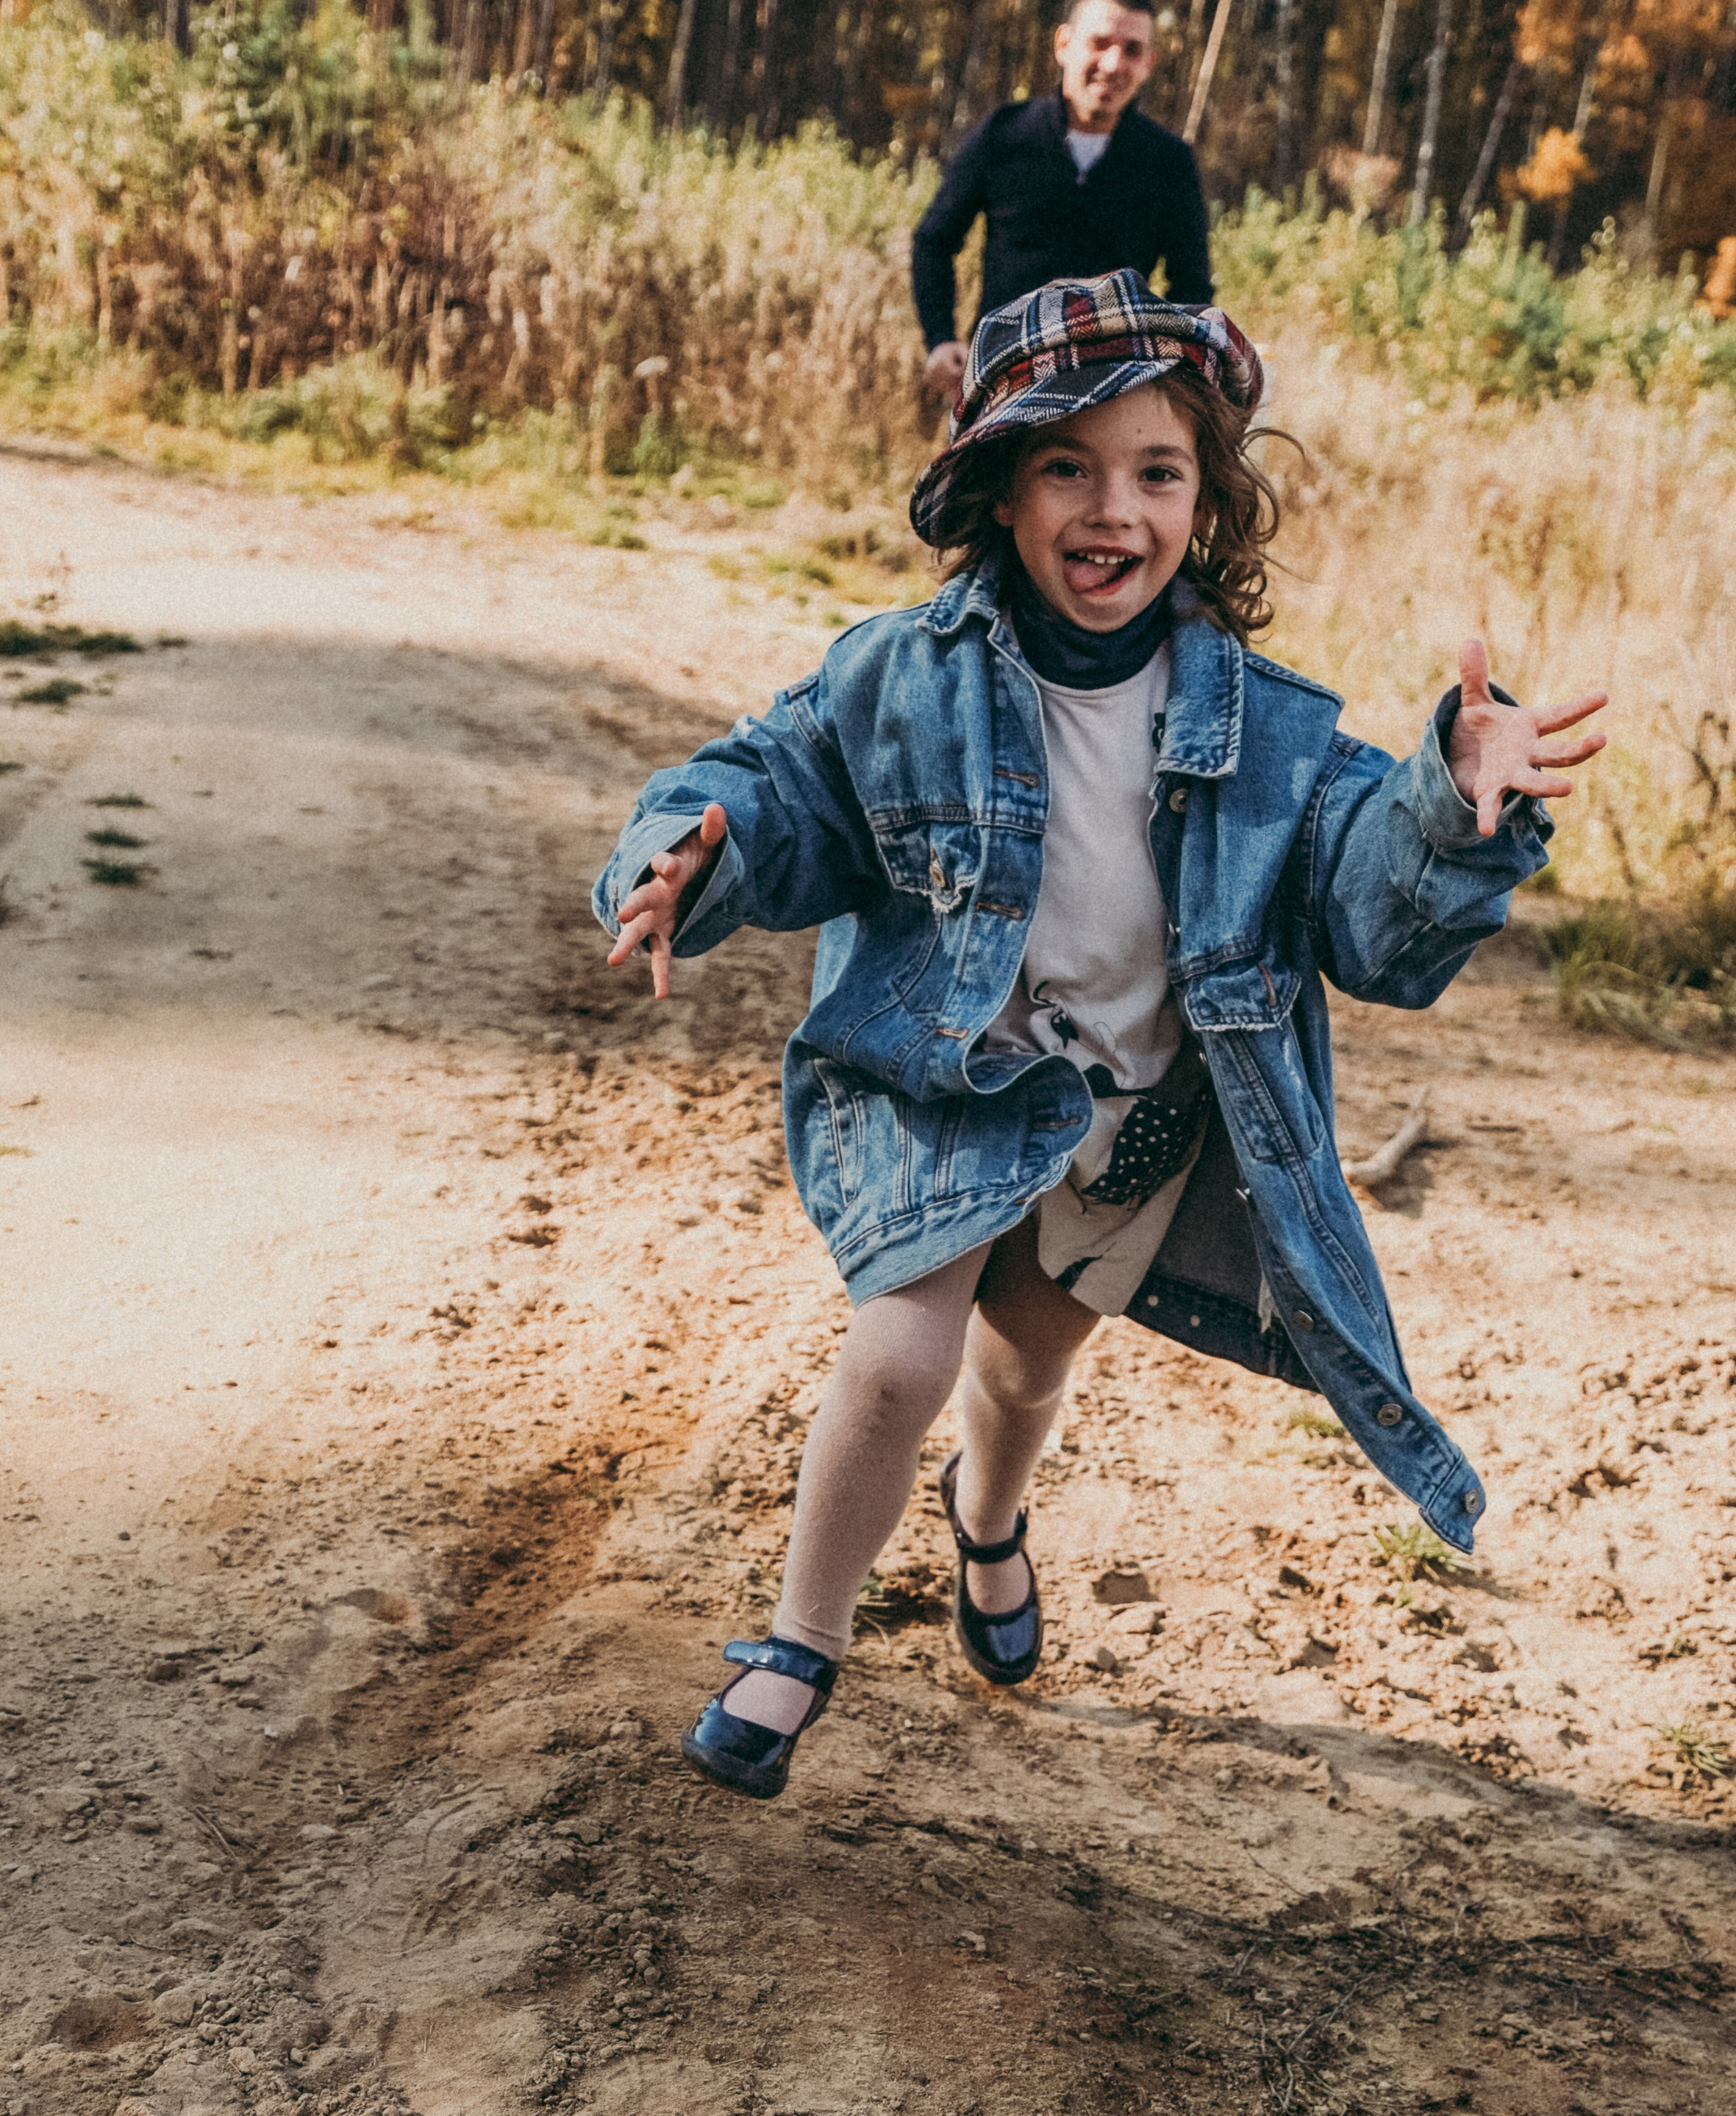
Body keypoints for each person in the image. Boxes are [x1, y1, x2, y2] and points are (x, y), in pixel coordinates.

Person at [592, 271, 1607, 1803]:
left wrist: (1450, 810)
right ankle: (800, 1639)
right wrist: (696, 850)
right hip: (947, 1076)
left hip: (1132, 1116)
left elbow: (1364, 913)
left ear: (1204, 504)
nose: (1107, 508)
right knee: (904, 1344)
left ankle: (986, 1520)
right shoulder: (903, 677)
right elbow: (781, 784)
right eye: (1063, 464)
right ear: (997, 490)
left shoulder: (1268, 731)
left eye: (1154, 471)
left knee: (1024, 1360)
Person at [912, 0, 1212, 410]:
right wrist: (940, 338)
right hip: (999, 382)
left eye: (1131, 50)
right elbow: (934, 241)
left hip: (1112, 394)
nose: (1112, 63)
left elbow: (1192, 287)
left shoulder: (1168, 162)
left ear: (1148, 64)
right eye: (1099, 43)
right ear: (1064, 44)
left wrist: (1174, 375)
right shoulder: (1005, 134)